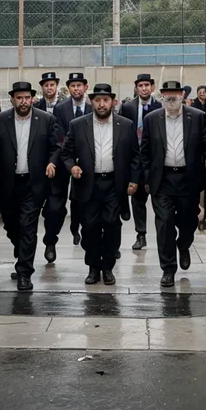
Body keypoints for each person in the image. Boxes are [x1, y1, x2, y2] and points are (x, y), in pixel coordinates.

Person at [141, 80, 206, 288]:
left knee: (188, 223)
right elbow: (145, 152)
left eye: (174, 93)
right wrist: (146, 179)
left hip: (188, 180)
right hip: (162, 181)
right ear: (162, 96)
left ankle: (184, 245)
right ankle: (168, 269)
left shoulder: (197, 117)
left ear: (182, 95)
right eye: (167, 93)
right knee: (165, 224)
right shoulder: (152, 119)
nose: (171, 97)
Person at [0, 81, 60, 291]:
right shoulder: (0, 121)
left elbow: (56, 147)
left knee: (28, 226)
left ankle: (25, 273)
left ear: (33, 98)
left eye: (27, 98)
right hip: (9, 183)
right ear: (13, 99)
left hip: (34, 184)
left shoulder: (46, 120)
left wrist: (52, 161)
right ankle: (21, 251)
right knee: (11, 225)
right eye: (19, 98)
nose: (24, 102)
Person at [61, 83, 139, 285]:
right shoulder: (78, 125)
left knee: (112, 225)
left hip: (114, 184)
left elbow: (134, 156)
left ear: (113, 102)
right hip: (88, 183)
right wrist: (72, 168)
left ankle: (108, 267)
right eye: (97, 100)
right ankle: (93, 266)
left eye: (105, 100)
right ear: (91, 101)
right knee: (90, 227)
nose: (102, 104)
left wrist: (134, 180)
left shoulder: (126, 125)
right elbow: (66, 153)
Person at [42, 72, 92, 263]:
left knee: (84, 203)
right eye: (73, 86)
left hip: (87, 164)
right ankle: (50, 242)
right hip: (63, 162)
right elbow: (59, 137)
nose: (76, 89)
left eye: (79, 85)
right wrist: (66, 161)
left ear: (85, 87)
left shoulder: (91, 107)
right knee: (55, 206)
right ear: (68, 88)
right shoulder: (61, 109)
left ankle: (85, 237)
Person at [119, 73, 162, 250]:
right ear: (136, 88)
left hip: (154, 159)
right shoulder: (128, 107)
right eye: (140, 85)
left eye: (147, 85)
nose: (144, 88)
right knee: (138, 200)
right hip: (135, 159)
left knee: (159, 198)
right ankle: (141, 234)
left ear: (152, 87)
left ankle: (163, 233)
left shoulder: (160, 107)